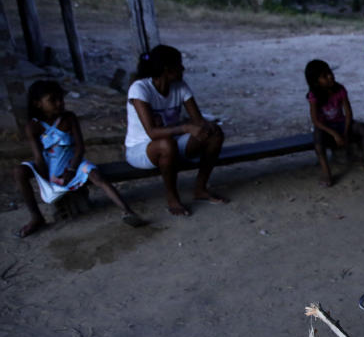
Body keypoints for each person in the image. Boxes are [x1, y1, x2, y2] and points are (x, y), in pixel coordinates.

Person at [15, 80, 146, 238]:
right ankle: (36, 218)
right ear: (38, 104)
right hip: (49, 165)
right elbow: (38, 157)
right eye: (52, 100)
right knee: (19, 171)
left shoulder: (69, 118)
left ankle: (127, 211)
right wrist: (46, 181)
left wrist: (70, 170)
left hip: (73, 163)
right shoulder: (33, 126)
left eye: (61, 99)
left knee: (97, 176)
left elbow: (79, 148)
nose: (59, 103)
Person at [125, 45, 227, 216]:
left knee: (215, 134)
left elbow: (198, 120)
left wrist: (206, 127)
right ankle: (172, 198)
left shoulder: (180, 86)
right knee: (166, 144)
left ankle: (200, 189)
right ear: (167, 69)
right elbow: (151, 133)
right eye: (179, 64)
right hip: (140, 149)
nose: (183, 68)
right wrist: (186, 127)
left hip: (172, 144)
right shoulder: (140, 88)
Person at [304, 60, 364, 186]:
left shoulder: (340, 89)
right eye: (324, 76)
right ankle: (326, 172)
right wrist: (335, 135)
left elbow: (348, 114)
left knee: (363, 129)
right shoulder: (313, 96)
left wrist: (345, 133)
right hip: (326, 128)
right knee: (318, 139)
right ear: (315, 82)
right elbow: (316, 121)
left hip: (341, 124)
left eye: (330, 72)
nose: (330, 76)